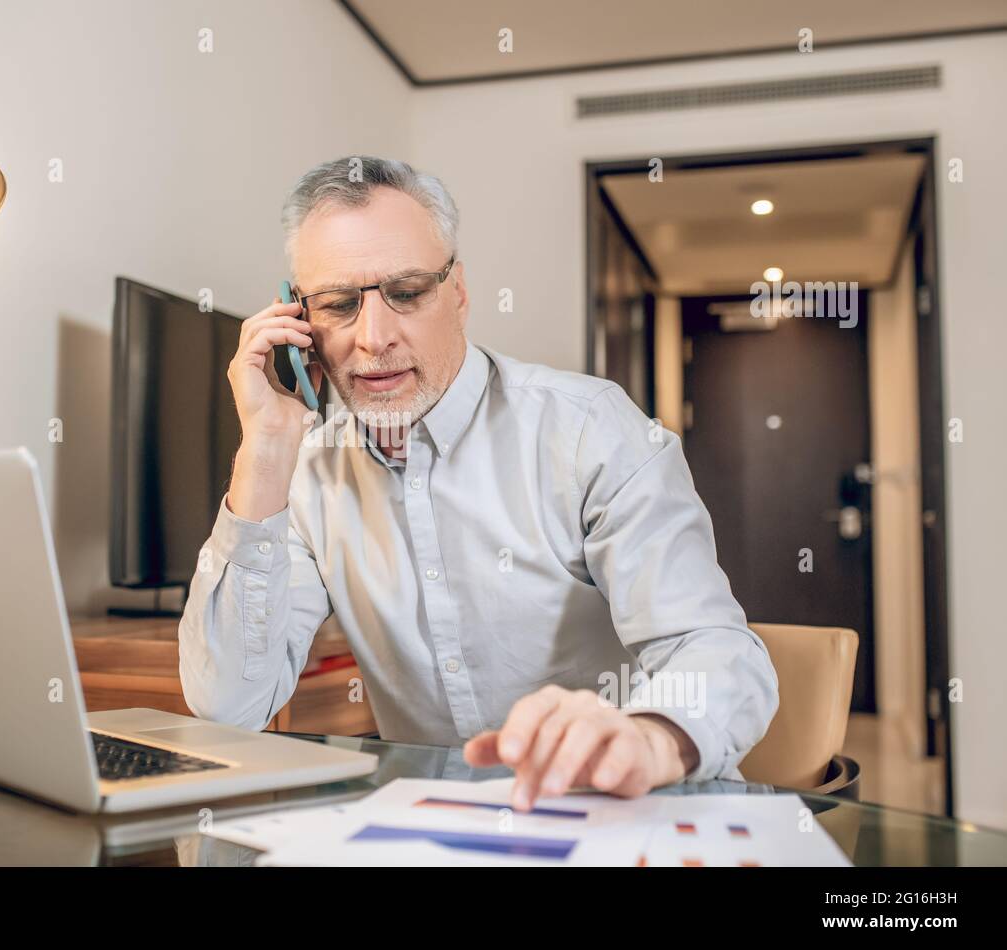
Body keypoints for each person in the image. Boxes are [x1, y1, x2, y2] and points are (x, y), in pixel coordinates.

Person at [178, 156, 778, 809]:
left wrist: (651, 737)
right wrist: (264, 451)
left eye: (406, 293)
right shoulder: (307, 469)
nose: (374, 338)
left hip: (624, 814)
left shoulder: (587, 431)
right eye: (338, 304)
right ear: (299, 321)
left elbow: (714, 648)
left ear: (458, 292)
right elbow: (228, 707)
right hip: (442, 834)